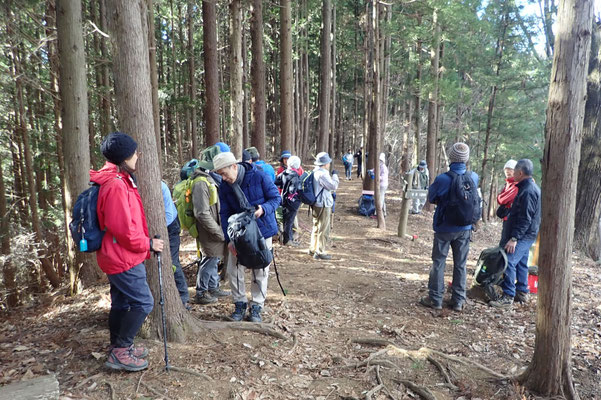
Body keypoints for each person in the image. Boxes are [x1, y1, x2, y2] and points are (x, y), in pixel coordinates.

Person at [91, 132, 164, 372]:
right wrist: (148, 244)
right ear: (124, 157)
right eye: (134, 153)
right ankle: (122, 350)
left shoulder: (118, 179)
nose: (137, 156)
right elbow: (124, 230)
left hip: (116, 255)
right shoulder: (115, 185)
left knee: (121, 303)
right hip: (122, 257)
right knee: (144, 302)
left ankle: (117, 347)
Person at [212, 152, 281, 322]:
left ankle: (257, 306)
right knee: (234, 269)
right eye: (220, 175)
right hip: (239, 233)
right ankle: (240, 304)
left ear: (234, 166)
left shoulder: (259, 176)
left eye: (224, 173)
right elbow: (225, 212)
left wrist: (262, 209)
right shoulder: (224, 186)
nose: (223, 178)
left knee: (261, 269)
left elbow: (276, 198)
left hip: (262, 230)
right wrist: (229, 240)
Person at [419, 142, 478, 312]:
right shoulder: (473, 177)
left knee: (439, 262)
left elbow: (431, 198)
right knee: (461, 264)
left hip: (444, 227)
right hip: (465, 228)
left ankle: (435, 299)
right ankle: (458, 300)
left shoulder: (442, 179)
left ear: (451, 158)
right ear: (466, 159)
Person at [489, 159, 541, 308]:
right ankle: (522, 291)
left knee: (509, 260)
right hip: (525, 233)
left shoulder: (528, 191)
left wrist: (514, 238)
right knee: (522, 262)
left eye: (514, 172)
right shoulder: (526, 187)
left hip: (524, 234)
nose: (512, 176)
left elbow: (525, 218)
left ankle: (508, 296)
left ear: (520, 172)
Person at [191, 146, 231, 305]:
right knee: (209, 260)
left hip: (215, 227)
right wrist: (217, 231)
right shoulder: (200, 183)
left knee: (214, 260)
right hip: (209, 230)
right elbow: (201, 213)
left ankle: (213, 287)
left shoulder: (210, 179)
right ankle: (201, 292)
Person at [161, 181, 189, 307]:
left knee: (172, 261)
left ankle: (183, 297)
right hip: (157, 227)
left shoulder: (161, 187)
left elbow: (168, 215)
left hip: (170, 225)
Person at [310, 152, 339, 260]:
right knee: (324, 228)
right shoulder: (322, 173)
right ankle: (320, 251)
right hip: (323, 203)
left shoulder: (314, 171)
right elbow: (333, 186)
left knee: (316, 227)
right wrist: (335, 176)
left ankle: (313, 248)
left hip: (316, 203)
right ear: (325, 163)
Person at [275, 155, 303, 246]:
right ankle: (288, 240)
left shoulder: (284, 173)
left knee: (286, 220)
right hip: (293, 202)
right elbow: (292, 190)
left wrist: (284, 187)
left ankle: (287, 239)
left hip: (284, 200)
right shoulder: (295, 176)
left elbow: (276, 182)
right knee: (289, 221)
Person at [496, 159, 518, 243]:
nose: (508, 172)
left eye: (511, 169)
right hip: (506, 217)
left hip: (512, 219)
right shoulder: (508, 184)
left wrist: (500, 197)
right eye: (506, 169)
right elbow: (501, 198)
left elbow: (502, 200)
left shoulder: (516, 184)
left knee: (505, 243)